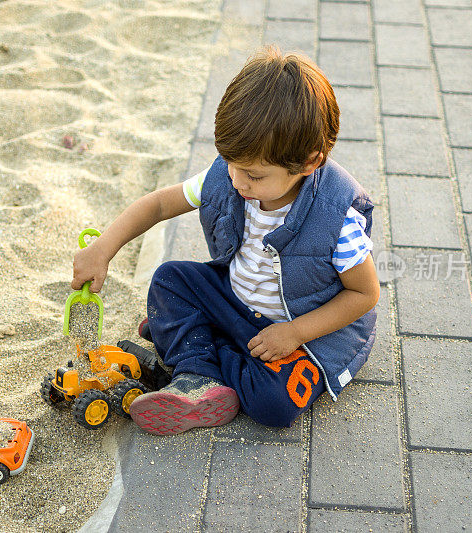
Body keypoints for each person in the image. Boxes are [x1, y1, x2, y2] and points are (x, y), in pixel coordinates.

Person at [71, 46, 379, 435]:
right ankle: (198, 379)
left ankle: (200, 350)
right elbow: (160, 204)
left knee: (273, 405)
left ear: (309, 163)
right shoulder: (233, 173)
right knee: (170, 280)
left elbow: (364, 295)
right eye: (231, 164)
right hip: (237, 300)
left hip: (300, 329)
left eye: (254, 175)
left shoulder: (337, 218)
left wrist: (295, 333)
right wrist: (103, 248)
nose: (238, 181)